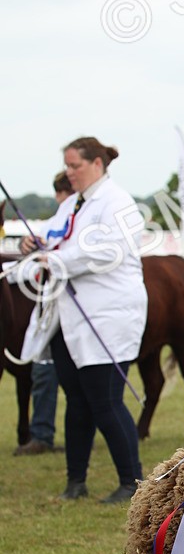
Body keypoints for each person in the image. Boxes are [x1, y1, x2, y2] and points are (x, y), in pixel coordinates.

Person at [20, 138, 147, 503]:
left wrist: (56, 261)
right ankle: (75, 481)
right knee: (75, 401)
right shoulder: (74, 204)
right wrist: (34, 243)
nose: (69, 173)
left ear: (96, 164)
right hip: (69, 319)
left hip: (106, 318)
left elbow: (107, 251)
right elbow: (52, 234)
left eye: (74, 166)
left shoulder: (118, 202)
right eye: (67, 166)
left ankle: (131, 482)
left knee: (105, 402)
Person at [14, 171, 74, 456]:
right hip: (50, 312)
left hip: (75, 310)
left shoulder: (80, 211)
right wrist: (25, 244)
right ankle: (41, 433)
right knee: (44, 371)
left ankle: (44, 433)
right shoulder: (61, 216)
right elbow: (40, 238)